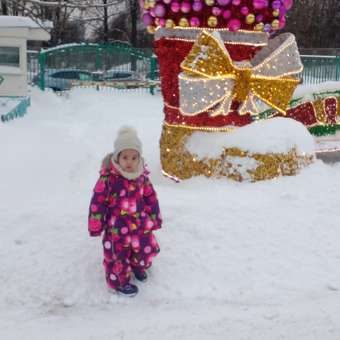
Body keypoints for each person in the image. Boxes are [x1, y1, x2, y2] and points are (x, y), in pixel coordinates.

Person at [88, 126, 162, 296]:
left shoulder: (142, 178)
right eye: (125, 157)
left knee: (144, 248)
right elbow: (97, 202)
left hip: (140, 224)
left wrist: (154, 218)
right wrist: (95, 224)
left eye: (134, 158)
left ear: (139, 158)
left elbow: (151, 198)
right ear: (117, 157)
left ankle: (138, 265)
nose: (129, 162)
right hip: (117, 227)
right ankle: (119, 281)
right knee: (117, 255)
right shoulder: (108, 179)